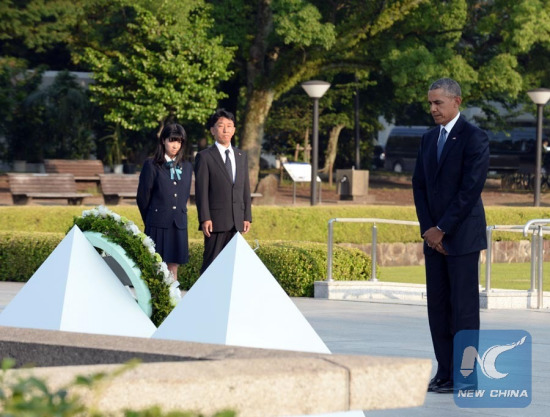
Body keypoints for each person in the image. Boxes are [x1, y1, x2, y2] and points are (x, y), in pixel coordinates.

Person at [412, 78, 489, 394]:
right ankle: (445, 372)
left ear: (457, 102)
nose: (432, 109)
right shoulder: (429, 139)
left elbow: (470, 190)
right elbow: (419, 185)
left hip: (461, 238)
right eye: (430, 103)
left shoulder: (475, 138)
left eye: (438, 103)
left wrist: (442, 228)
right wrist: (430, 231)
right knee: (439, 308)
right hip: (434, 240)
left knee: (464, 310)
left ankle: (466, 376)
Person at [194, 108, 252, 273]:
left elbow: (244, 187)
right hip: (215, 221)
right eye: (221, 126)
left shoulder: (241, 156)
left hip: (237, 220)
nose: (225, 129)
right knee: (211, 265)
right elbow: (201, 191)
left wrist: (247, 216)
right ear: (213, 130)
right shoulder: (205, 157)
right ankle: (205, 297)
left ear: (234, 130)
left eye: (229, 125)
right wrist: (205, 218)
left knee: (233, 268)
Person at [137, 123, 193, 281]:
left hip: (178, 223)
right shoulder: (152, 165)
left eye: (179, 141)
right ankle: (156, 302)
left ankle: (174, 301)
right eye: (171, 140)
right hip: (157, 222)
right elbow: (142, 197)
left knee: (173, 266)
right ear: (163, 141)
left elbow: (184, 195)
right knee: (156, 265)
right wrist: (150, 219)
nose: (175, 145)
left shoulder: (187, 167)